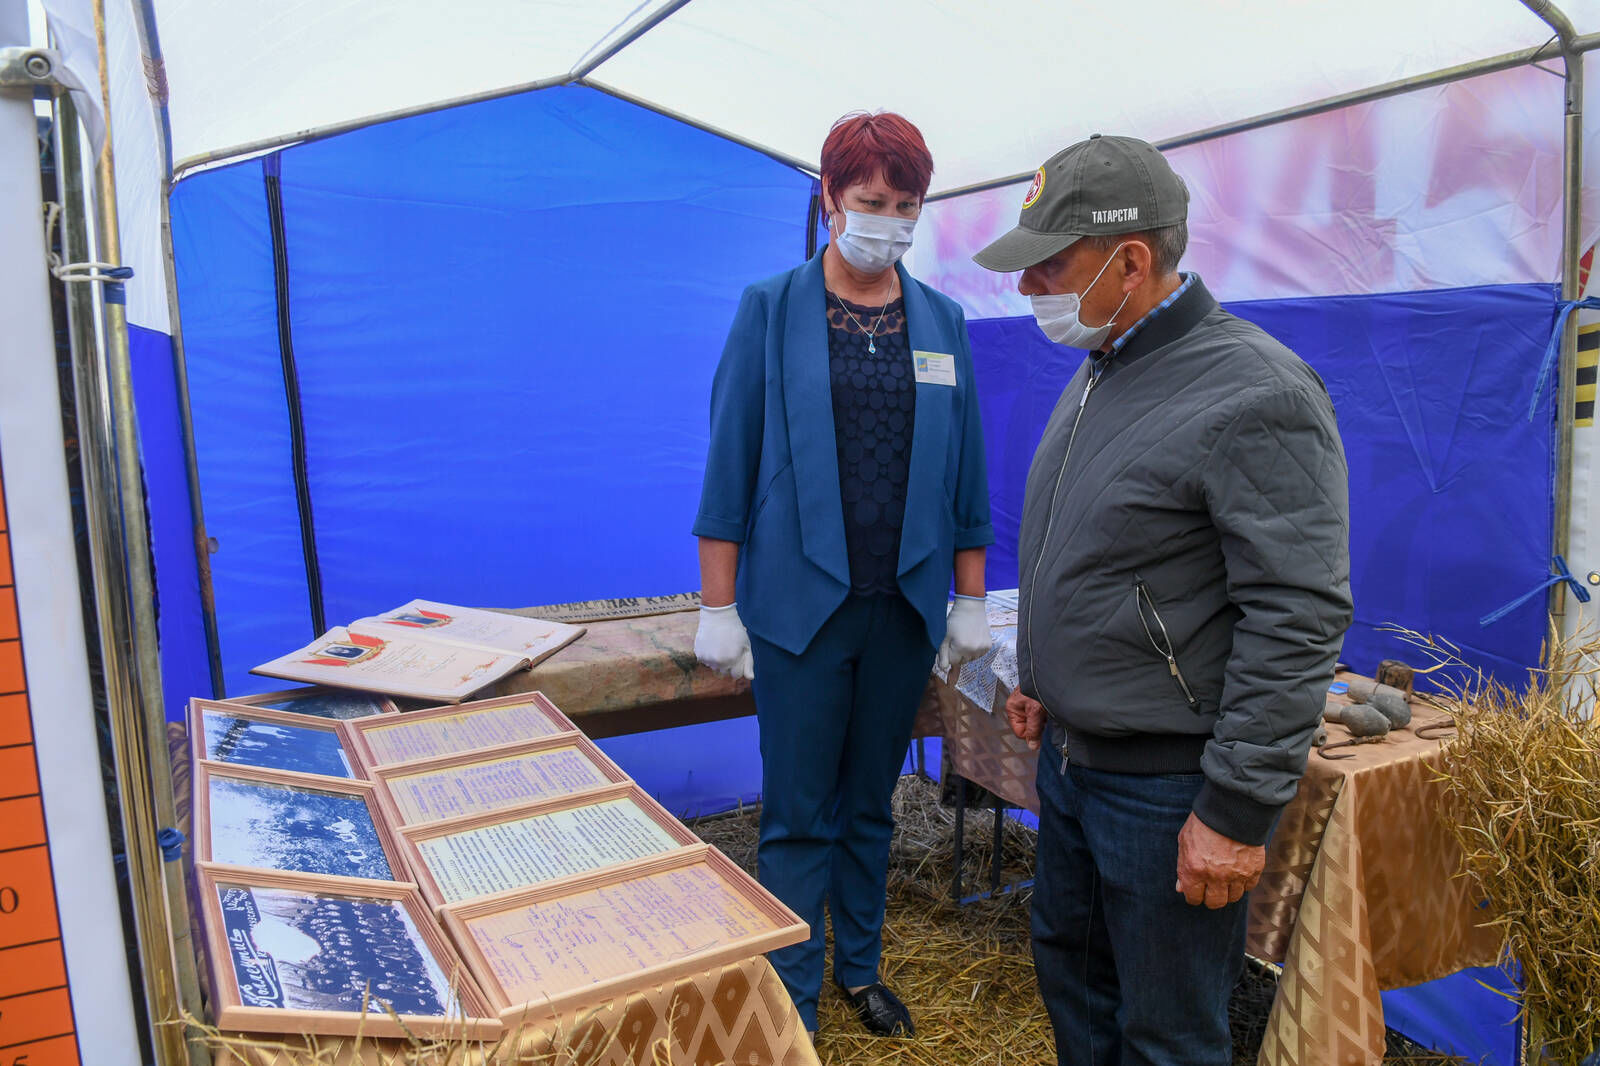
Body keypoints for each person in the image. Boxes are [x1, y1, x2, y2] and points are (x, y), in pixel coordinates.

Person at [972, 135, 1352, 1065]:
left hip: (1164, 788)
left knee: (1168, 1033)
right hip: (1074, 763)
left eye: (1048, 267)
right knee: (1077, 985)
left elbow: (1297, 616)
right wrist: (1045, 680)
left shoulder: (1257, 391)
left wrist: (1232, 812)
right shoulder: (1106, 365)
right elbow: (1102, 554)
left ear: (1130, 261)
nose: (1029, 291)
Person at [693, 111, 995, 1039]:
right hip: (798, 610)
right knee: (796, 814)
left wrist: (971, 598)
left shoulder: (941, 321)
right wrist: (718, 608)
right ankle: (793, 997)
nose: (890, 221)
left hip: (901, 607)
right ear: (828, 199)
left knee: (872, 805)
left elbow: (966, 473)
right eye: (871, 202)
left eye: (907, 206)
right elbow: (728, 464)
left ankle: (860, 968)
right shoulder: (772, 309)